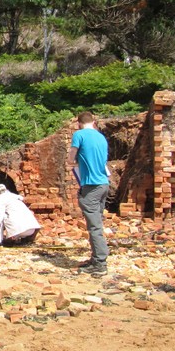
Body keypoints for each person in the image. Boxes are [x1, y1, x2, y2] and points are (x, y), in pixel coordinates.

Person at [67, 112, 110, 276]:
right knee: (97, 224)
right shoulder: (101, 137)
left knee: (95, 226)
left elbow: (71, 158)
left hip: (90, 186)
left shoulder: (79, 135)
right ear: (94, 122)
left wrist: (76, 161)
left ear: (79, 123)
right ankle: (96, 258)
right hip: (104, 184)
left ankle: (100, 262)